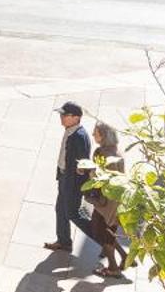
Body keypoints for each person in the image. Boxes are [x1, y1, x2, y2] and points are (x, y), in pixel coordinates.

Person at [43, 102, 92, 256]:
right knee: (61, 210)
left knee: (73, 214)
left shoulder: (79, 137)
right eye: (61, 114)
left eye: (64, 115)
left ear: (76, 118)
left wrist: (74, 183)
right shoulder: (70, 131)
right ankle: (64, 242)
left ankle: (104, 240)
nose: (61, 118)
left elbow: (83, 163)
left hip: (72, 183)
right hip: (64, 178)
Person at [84, 123, 128, 279]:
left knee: (100, 232)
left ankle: (113, 268)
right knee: (109, 232)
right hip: (116, 201)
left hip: (104, 202)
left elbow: (96, 177)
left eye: (95, 133)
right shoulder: (117, 152)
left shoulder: (100, 153)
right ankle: (123, 256)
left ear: (103, 135)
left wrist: (85, 169)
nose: (93, 135)